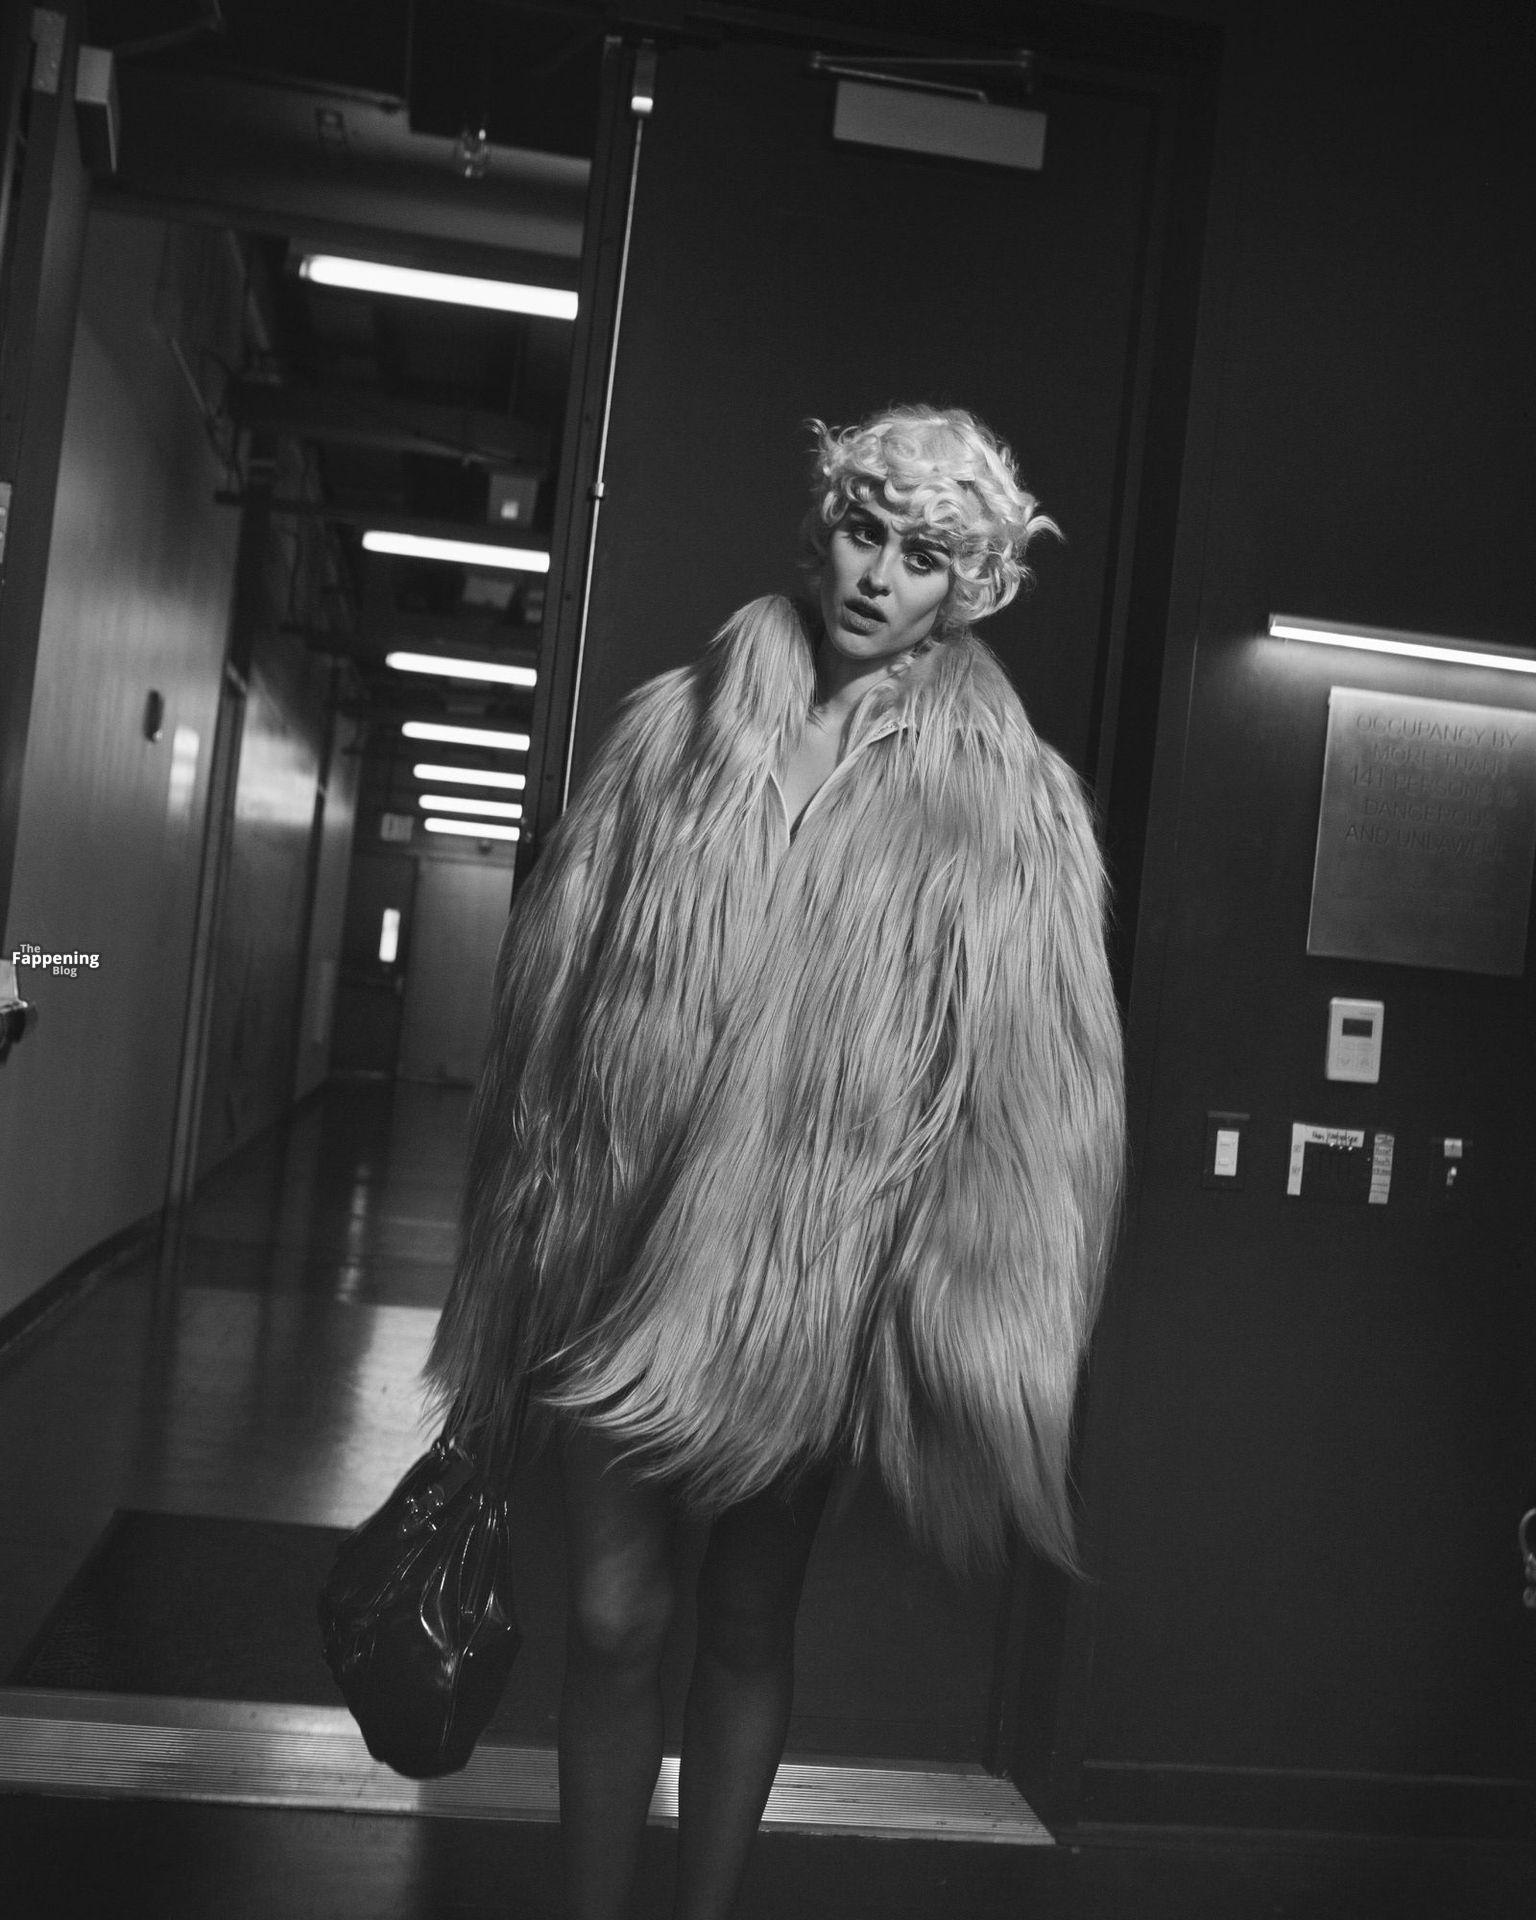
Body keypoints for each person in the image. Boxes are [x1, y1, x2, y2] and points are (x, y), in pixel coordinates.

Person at [428, 405, 1124, 1919]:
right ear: (825, 533)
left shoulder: (1009, 805)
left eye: (923, 556)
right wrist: (527, 1247)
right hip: (621, 1243)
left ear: (969, 586)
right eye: (865, 533)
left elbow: (1030, 1086)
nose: (879, 577)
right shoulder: (671, 735)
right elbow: (552, 1008)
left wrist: (929, 1294)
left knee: (746, 1623)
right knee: (612, 1620)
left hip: (815, 1268)